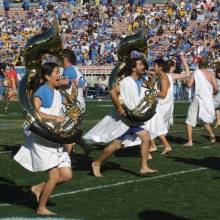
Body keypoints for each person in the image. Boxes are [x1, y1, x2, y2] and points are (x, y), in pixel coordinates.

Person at [84, 51, 158, 177]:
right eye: (140, 65)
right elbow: (112, 92)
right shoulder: (126, 81)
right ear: (134, 68)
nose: (143, 67)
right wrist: (119, 107)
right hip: (126, 120)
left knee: (145, 138)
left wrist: (151, 82)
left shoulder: (140, 81)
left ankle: (144, 166)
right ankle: (97, 163)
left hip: (134, 118)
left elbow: (145, 92)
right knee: (116, 145)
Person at [14, 62, 72, 216]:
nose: (59, 75)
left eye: (59, 72)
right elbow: (35, 113)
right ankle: (41, 208)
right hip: (42, 137)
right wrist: (55, 117)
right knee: (54, 176)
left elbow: (68, 103)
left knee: (66, 175)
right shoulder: (43, 91)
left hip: (54, 136)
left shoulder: (57, 92)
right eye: (56, 72)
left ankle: (38, 188)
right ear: (47, 76)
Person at [183, 57, 218, 146]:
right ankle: (211, 134)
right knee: (203, 120)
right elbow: (216, 88)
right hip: (208, 100)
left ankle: (190, 142)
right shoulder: (211, 74)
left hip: (198, 99)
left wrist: (185, 82)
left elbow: (189, 84)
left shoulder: (196, 72)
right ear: (207, 65)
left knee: (189, 120)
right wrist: (209, 94)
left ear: (198, 64)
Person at [213, 62, 220, 128]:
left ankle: (206, 122)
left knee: (211, 107)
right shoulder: (216, 79)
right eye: (218, 72)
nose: (218, 74)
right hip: (217, 96)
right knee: (216, 108)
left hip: (218, 97)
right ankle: (218, 121)